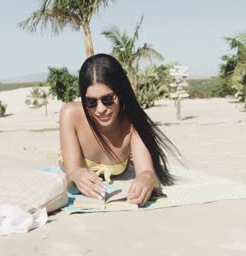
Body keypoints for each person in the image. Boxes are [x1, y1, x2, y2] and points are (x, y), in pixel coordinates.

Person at [59, 53, 180, 206]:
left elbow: (147, 172)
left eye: (108, 99)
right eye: (91, 102)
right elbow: (71, 177)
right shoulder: (71, 114)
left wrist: (148, 178)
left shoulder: (132, 124)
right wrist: (76, 173)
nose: (100, 109)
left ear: (121, 93)